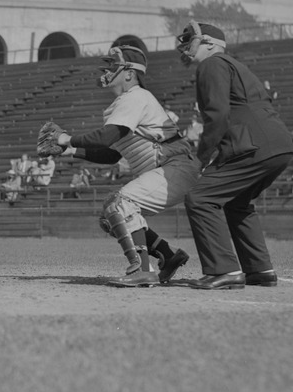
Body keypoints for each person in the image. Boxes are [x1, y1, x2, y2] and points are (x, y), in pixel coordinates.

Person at [49, 45, 199, 286]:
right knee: (110, 217)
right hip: (168, 168)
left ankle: (143, 269)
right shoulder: (126, 102)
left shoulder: (136, 96)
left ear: (129, 74)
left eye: (114, 65)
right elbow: (111, 154)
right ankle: (168, 256)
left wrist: (66, 138)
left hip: (176, 166)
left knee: (120, 204)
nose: (108, 70)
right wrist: (72, 150)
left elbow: (107, 136)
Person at [176, 21, 293, 289]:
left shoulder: (212, 63)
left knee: (201, 197)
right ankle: (259, 270)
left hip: (253, 143)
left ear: (210, 43)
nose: (185, 46)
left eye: (190, 40)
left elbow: (217, 115)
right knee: (237, 203)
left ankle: (223, 270)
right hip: (277, 142)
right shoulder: (232, 65)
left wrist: (201, 157)